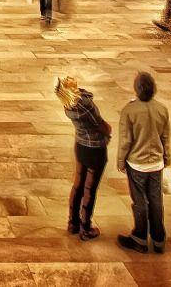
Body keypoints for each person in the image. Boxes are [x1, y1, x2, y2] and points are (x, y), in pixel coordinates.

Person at [116, 71, 171, 254]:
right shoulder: (162, 109)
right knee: (156, 200)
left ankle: (139, 238)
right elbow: (166, 137)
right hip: (156, 163)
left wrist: (120, 161)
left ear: (137, 89)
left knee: (139, 201)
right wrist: (167, 159)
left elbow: (126, 141)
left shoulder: (129, 111)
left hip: (137, 163)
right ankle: (158, 239)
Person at [56, 76, 110, 241]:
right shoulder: (85, 105)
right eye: (66, 81)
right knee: (89, 189)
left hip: (80, 145)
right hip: (94, 149)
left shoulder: (68, 105)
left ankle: (73, 223)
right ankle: (86, 228)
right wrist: (108, 131)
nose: (69, 78)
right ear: (68, 89)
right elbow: (100, 124)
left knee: (78, 184)